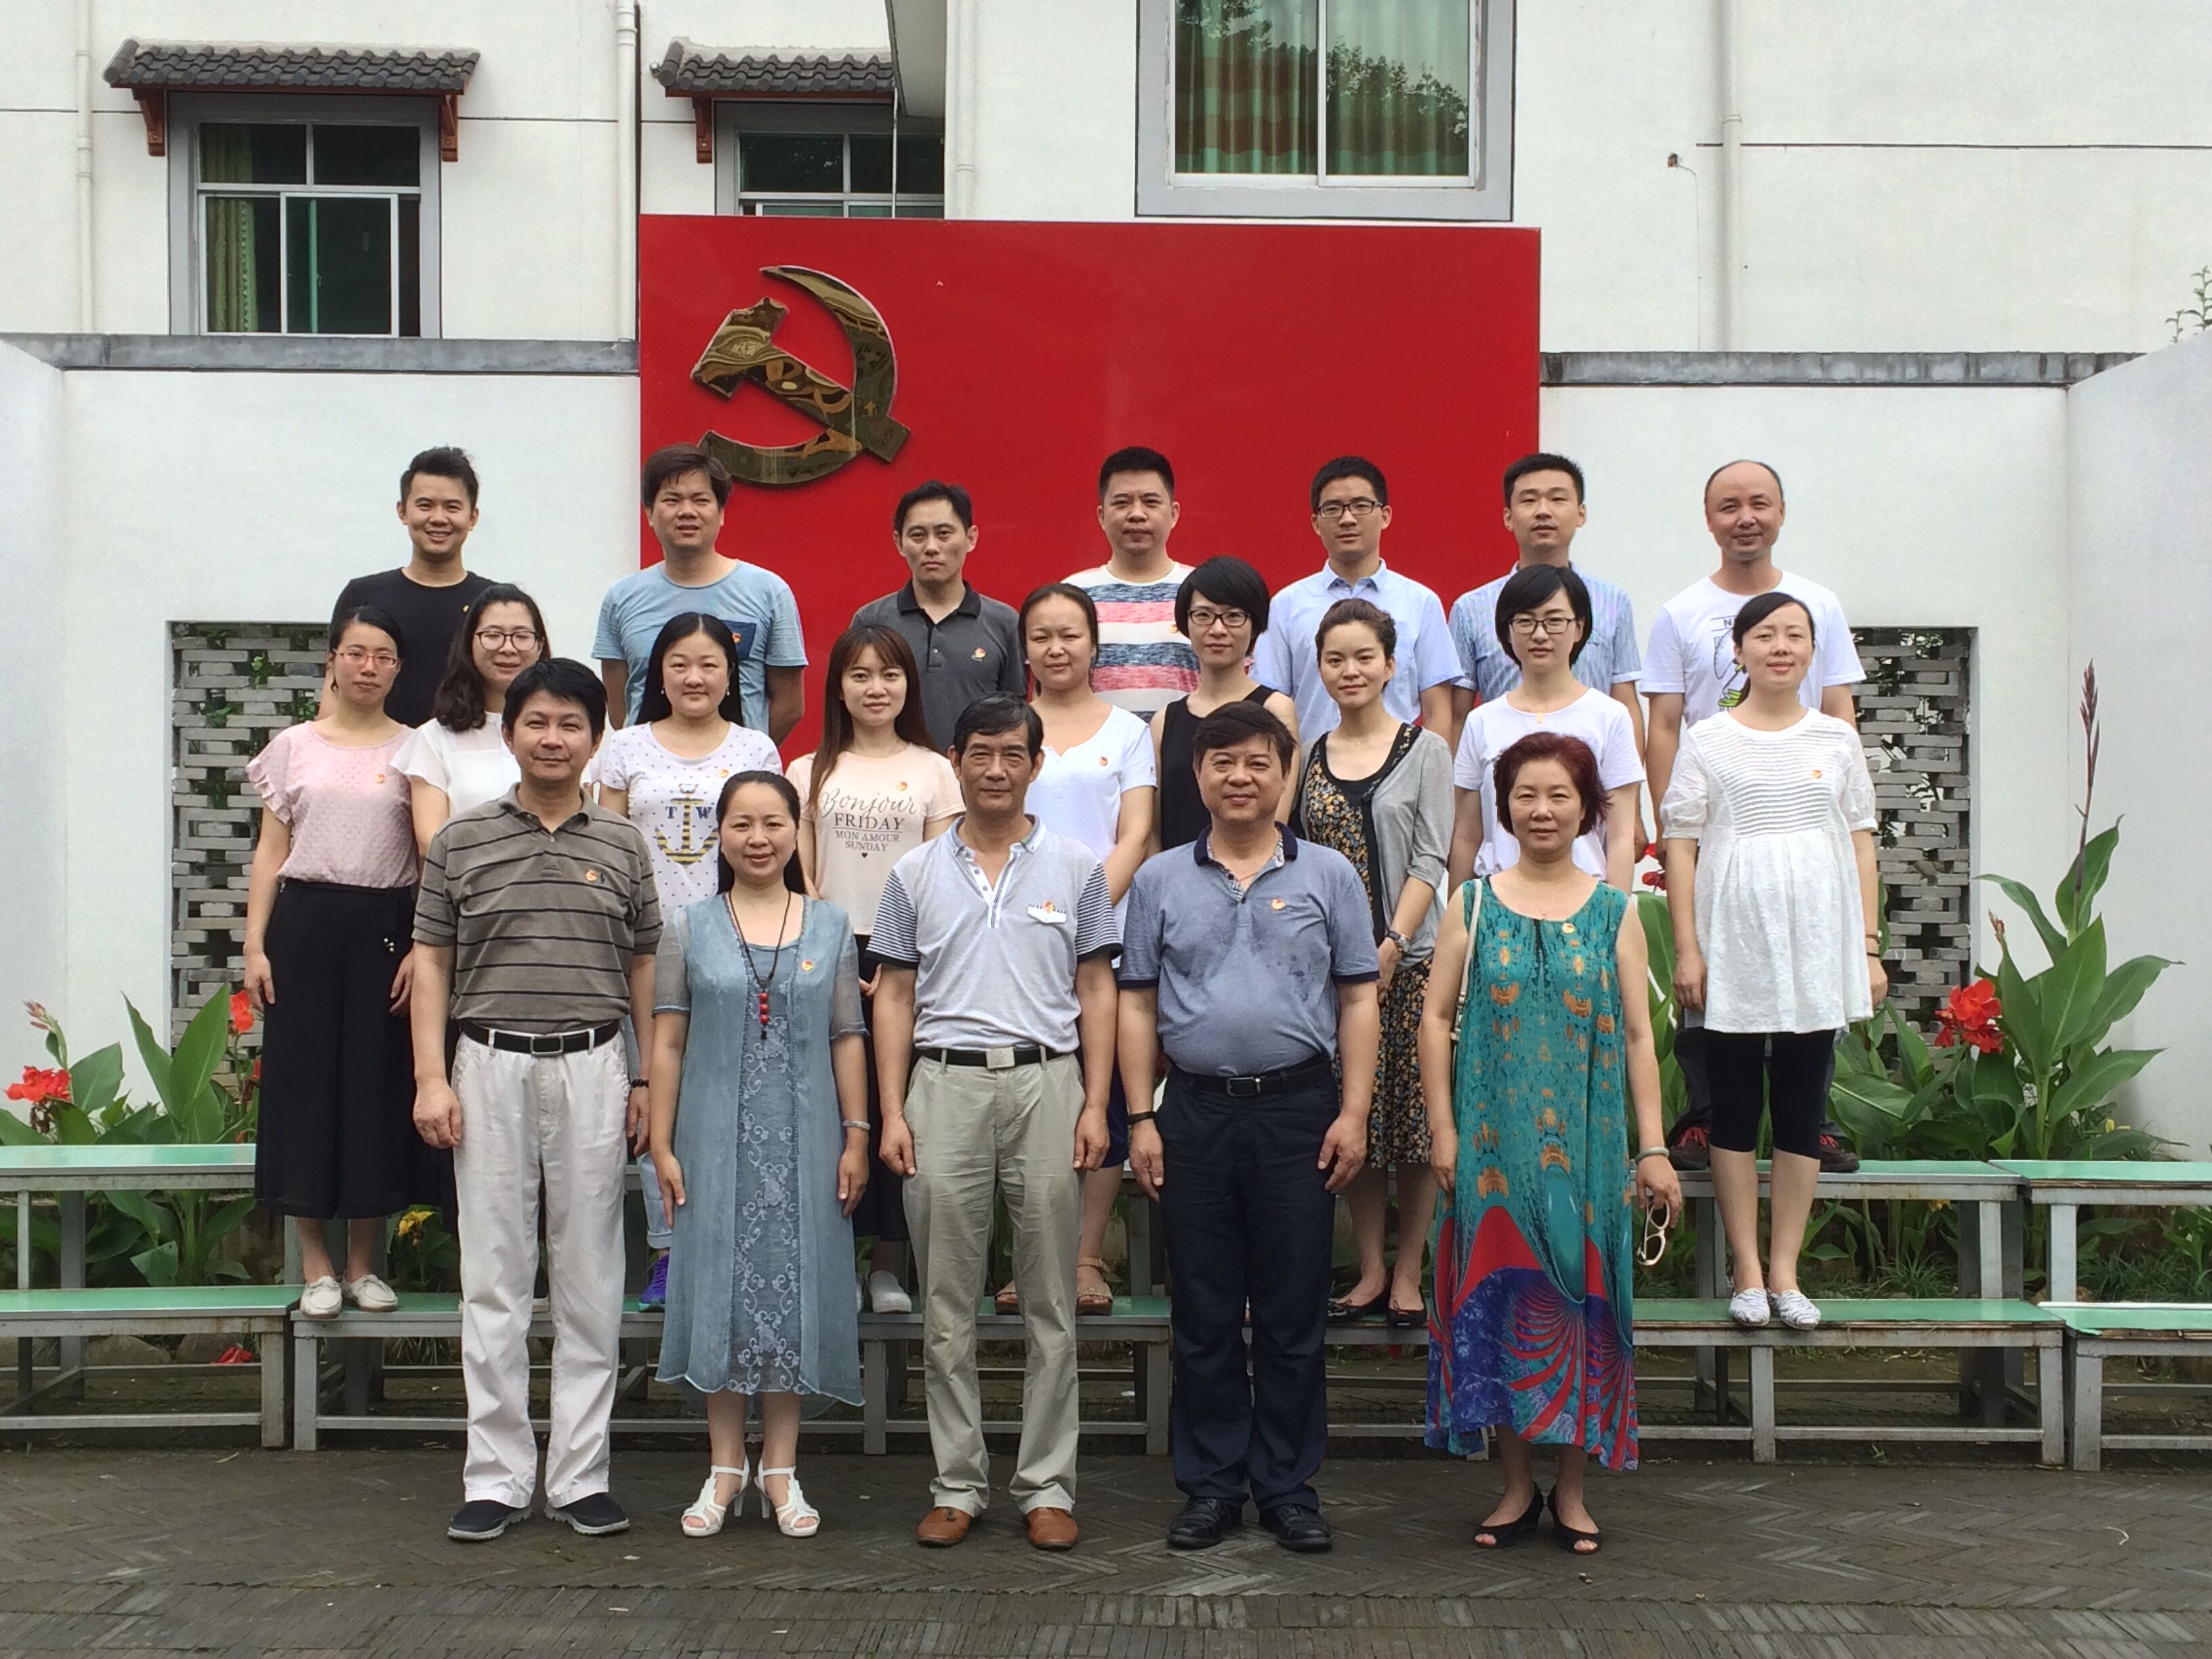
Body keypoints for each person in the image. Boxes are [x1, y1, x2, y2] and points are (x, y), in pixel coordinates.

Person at [409, 658, 661, 1544]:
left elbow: (644, 965)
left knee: (592, 1281)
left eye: (571, 725)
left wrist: (644, 1079)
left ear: (595, 740)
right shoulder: (461, 839)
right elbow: (432, 961)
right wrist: (431, 1076)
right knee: (495, 1281)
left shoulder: (622, 843)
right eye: (538, 723)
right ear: (510, 732)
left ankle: (581, 1477)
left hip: (594, 1066)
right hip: (488, 1064)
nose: (553, 739)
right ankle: (497, 1477)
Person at [1119, 700, 1380, 1553]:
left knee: (1292, 1309)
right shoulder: (1160, 879)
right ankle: (1212, 1486)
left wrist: (1353, 1112)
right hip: (1192, 1112)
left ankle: (1288, 1488)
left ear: (1285, 772)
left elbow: (1358, 998)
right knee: (1201, 1308)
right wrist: (1140, 1116)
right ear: (1197, 775)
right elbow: (1137, 1004)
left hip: (1299, 1112)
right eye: (1222, 762)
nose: (1240, 778)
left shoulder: (1330, 875)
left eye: (1258, 762)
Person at [870, 695, 1118, 1553]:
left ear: (1036, 765)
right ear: (956, 760)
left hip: (1048, 1083)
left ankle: (1047, 1485)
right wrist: (892, 1109)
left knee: (1051, 1300)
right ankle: (958, 1483)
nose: (996, 770)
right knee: (947, 1302)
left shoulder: (1077, 867)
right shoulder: (913, 873)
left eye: (1014, 754)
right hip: (944, 1086)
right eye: (980, 753)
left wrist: (1096, 1101)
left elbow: (1097, 987)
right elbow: (894, 994)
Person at [1422, 731, 1679, 1555]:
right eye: (1526, 795)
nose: (1542, 810)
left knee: (1580, 1306)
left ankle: (1571, 1491)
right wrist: (1444, 1130)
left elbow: (1638, 1037)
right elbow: (1434, 1019)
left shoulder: (1616, 911)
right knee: (1497, 1300)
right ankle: (1513, 1487)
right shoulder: (1472, 904)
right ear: (1504, 807)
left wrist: (1652, 1147)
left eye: (1559, 796)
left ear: (1587, 809)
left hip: (1590, 1151)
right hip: (1492, 1151)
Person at [647, 771, 870, 1540]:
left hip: (809, 1141)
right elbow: (668, 1041)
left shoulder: (831, 926)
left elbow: (848, 1036)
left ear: (795, 830)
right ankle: (723, 1469)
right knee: (721, 1292)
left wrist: (856, 1134)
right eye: (741, 823)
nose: (758, 838)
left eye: (773, 822)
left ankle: (781, 1469)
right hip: (711, 1139)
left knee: (794, 1292)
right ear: (720, 834)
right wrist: (662, 1143)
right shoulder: (688, 927)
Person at [1660, 593, 1883, 1334]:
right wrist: (1688, 949)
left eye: (1795, 635)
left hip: (1815, 947)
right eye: (1765, 635)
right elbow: (1681, 844)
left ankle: (1785, 1271)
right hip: (1733, 945)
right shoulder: (1708, 738)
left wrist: (1868, 946)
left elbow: (1860, 840)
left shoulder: (1836, 739)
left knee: (1800, 1108)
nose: (1780, 647)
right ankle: (1747, 1272)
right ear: (1740, 651)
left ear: (1813, 650)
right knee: (1731, 1109)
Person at [1643, 459, 1865, 1176]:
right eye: (1729, 505)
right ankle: (1706, 1116)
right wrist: (1672, 830)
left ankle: (1813, 1122)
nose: (1746, 518)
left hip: (1802, 814)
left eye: (1760, 503)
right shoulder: (1680, 612)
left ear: (1781, 511)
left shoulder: (1818, 604)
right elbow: (1665, 724)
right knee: (1704, 977)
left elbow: (1839, 707)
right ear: (1709, 519)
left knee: (1809, 966)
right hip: (1719, 818)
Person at [243, 607, 430, 1321]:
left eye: (383, 655)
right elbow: (271, 850)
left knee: (375, 1086)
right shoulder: (293, 746)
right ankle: (316, 1267)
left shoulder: (415, 749)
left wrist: (421, 945)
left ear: (398, 669)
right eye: (356, 652)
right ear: (333, 660)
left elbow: (426, 855)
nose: (368, 666)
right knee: (305, 1086)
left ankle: (363, 1264)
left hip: (385, 925)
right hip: (305, 926)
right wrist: (255, 943)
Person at [597, 614, 782, 1309]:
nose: (694, 677)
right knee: (656, 1096)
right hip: (646, 945)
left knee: (740, 1097)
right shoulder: (625, 747)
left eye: (709, 664)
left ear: (731, 676)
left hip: (736, 941)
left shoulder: (755, 747)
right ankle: (670, 1251)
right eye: (679, 664)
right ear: (658, 673)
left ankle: (742, 1247)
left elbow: (772, 842)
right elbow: (608, 843)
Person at [788, 624, 961, 1315]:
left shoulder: (934, 769)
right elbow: (802, 878)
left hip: (906, 957)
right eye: (859, 675)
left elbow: (938, 875)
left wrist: (898, 958)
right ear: (837, 687)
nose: (875, 688)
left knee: (898, 1109)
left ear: (908, 685)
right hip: (825, 950)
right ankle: (832, 1261)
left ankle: (888, 1264)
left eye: (889, 675)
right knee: (829, 1111)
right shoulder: (808, 770)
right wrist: (831, 949)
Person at [1289, 600, 1452, 1330]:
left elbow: (1431, 857)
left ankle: (1410, 1269)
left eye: (1364, 658)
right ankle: (1370, 1269)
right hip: (1330, 974)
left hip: (1411, 965)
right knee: (1353, 1117)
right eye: (1335, 659)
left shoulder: (1427, 749)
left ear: (1390, 666)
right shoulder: (1308, 754)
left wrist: (1389, 945)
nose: (1349, 671)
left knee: (1413, 1121)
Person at [1014, 583, 1156, 1317]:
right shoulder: (1010, 726)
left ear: (1095, 644)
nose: (1057, 648)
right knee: (1033, 1101)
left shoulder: (1128, 731)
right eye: (1041, 635)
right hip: (1017, 941)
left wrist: (1082, 912)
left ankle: (1087, 1257)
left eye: (1070, 634)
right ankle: (1031, 1259)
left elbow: (1136, 834)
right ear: (1025, 649)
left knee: (1108, 1097)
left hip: (1108, 940)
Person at [1447, 566, 1643, 895]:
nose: (1540, 635)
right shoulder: (1482, 721)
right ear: (1507, 631)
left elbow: (1621, 834)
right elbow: (1467, 833)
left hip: (1584, 898)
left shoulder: (1610, 717)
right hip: (1497, 897)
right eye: (1525, 621)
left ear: (1579, 628)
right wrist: (1459, 913)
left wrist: (1616, 913)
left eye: (1554, 621)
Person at [596, 444, 806, 740]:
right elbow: (620, 708)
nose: (687, 512)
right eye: (672, 500)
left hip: (738, 767)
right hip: (647, 766)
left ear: (721, 513)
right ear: (649, 513)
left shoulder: (769, 592)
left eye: (700, 499)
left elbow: (790, 705)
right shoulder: (621, 598)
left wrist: (745, 752)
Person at [1446, 453, 1644, 762]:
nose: (1543, 511)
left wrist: (1628, 787)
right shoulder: (1470, 609)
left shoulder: (1613, 602)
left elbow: (1626, 701)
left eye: (1557, 499)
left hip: (1590, 776)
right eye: (1529, 500)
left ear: (1581, 514)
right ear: (1508, 517)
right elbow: (1457, 715)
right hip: (1502, 774)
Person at [1254, 456, 1457, 744]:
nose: (1347, 519)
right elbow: (1271, 706)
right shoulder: (1286, 606)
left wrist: (1432, 769)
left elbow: (1437, 709)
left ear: (1385, 515)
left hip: (1400, 765)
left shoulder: (1421, 603)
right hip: (1313, 764)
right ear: (1315, 523)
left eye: (1361, 506)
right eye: (1332, 509)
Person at [851, 480, 1025, 750]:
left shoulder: (1004, 622)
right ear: (899, 543)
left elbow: (1015, 717)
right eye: (918, 535)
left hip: (974, 773)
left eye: (944, 534)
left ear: (971, 538)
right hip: (890, 771)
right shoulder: (871, 621)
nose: (931, 547)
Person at [332, 447, 495, 728]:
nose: (438, 518)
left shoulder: (493, 604)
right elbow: (334, 689)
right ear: (402, 511)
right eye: (425, 505)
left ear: (473, 517)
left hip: (470, 749)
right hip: (379, 750)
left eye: (452, 507)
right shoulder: (363, 596)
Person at [1154, 557, 1298, 851]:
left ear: (1255, 626)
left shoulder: (1276, 709)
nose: (1218, 630)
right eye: (1203, 615)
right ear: (1186, 623)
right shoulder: (1164, 722)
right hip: (1177, 874)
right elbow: (1153, 829)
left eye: (1233, 616)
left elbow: (1277, 816)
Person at [394, 583, 548, 853]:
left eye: (522, 636)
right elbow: (431, 842)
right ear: (469, 643)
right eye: (493, 635)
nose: (508, 648)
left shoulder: (563, 733)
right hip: (466, 877)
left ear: (539, 646)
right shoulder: (435, 737)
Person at [1066, 446, 1199, 722]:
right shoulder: (1072, 596)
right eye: (1122, 503)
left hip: (1189, 749)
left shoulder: (1203, 591)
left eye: (1150, 502)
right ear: (1102, 516)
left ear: (1174, 513)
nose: (1137, 514)